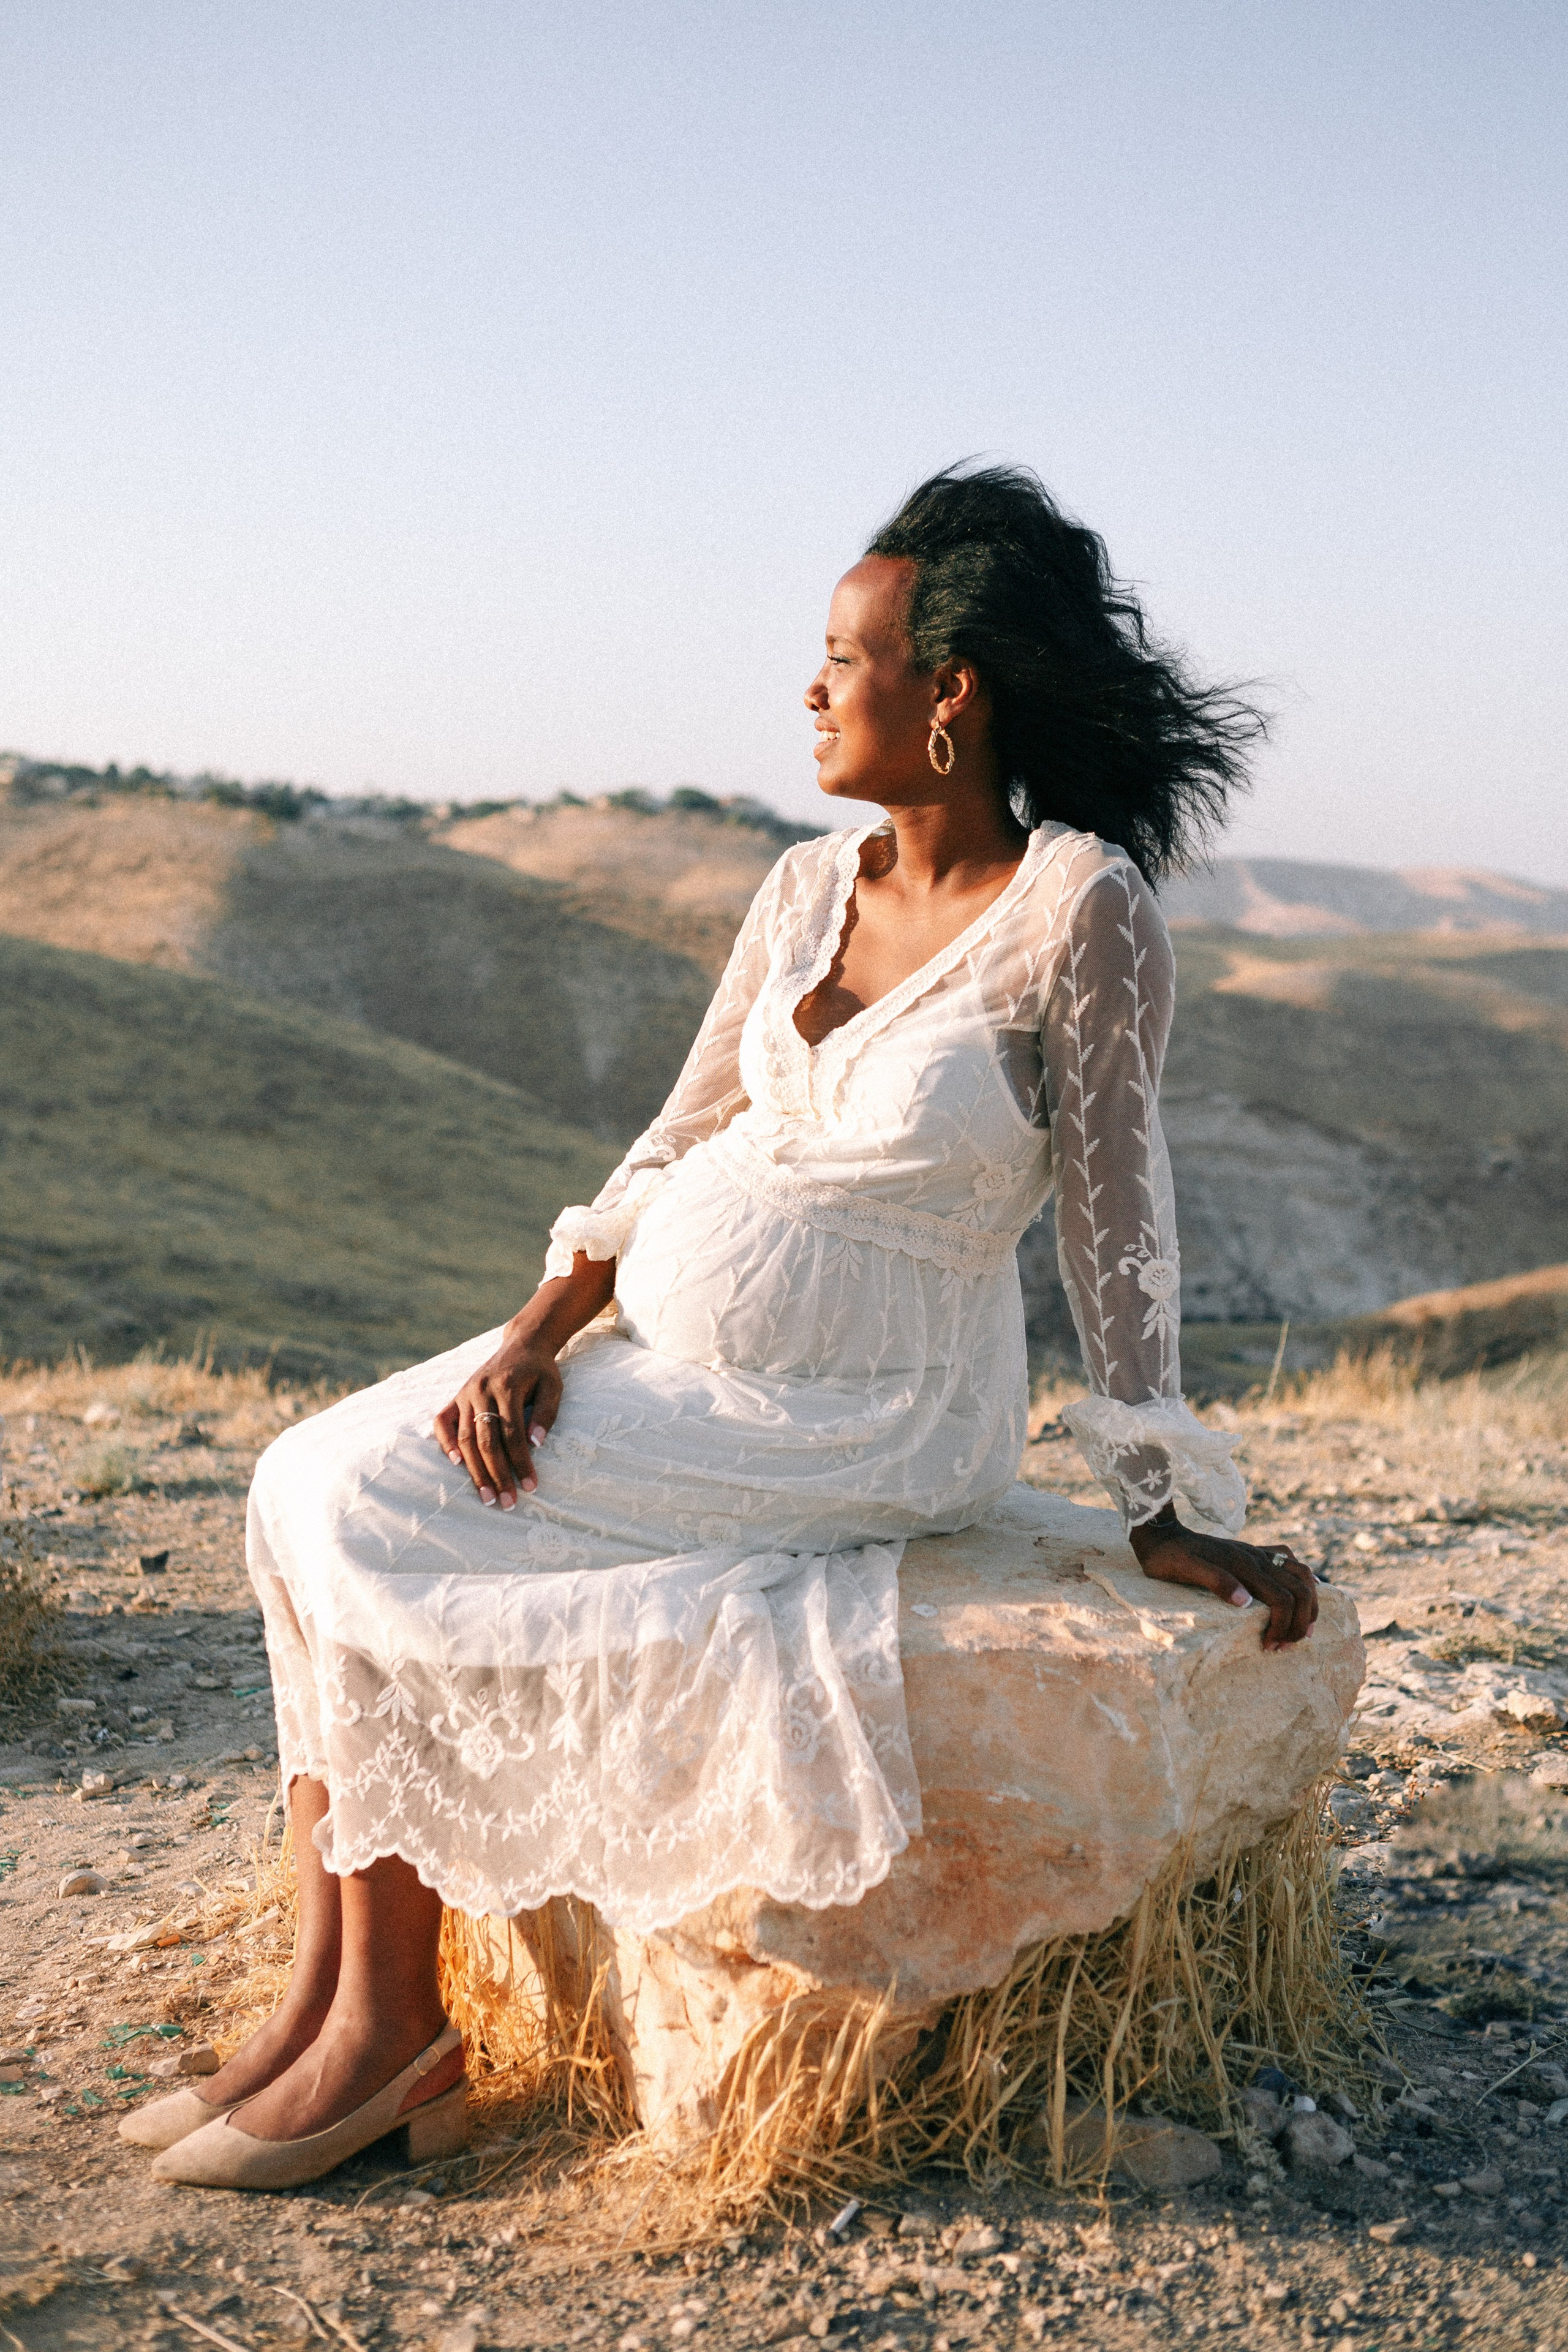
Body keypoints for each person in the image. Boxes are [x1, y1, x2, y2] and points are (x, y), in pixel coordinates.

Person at [126, 466, 1316, 2192]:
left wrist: (1156, 1496)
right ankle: (321, 2008)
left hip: (869, 1407)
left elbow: (1117, 1211)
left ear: (952, 692)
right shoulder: (798, 890)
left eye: (845, 656)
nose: (815, 688)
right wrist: (538, 1328)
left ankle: (394, 2037)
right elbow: (682, 1139)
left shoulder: (1079, 910)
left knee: (364, 1507)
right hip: (675, 1362)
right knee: (296, 1477)